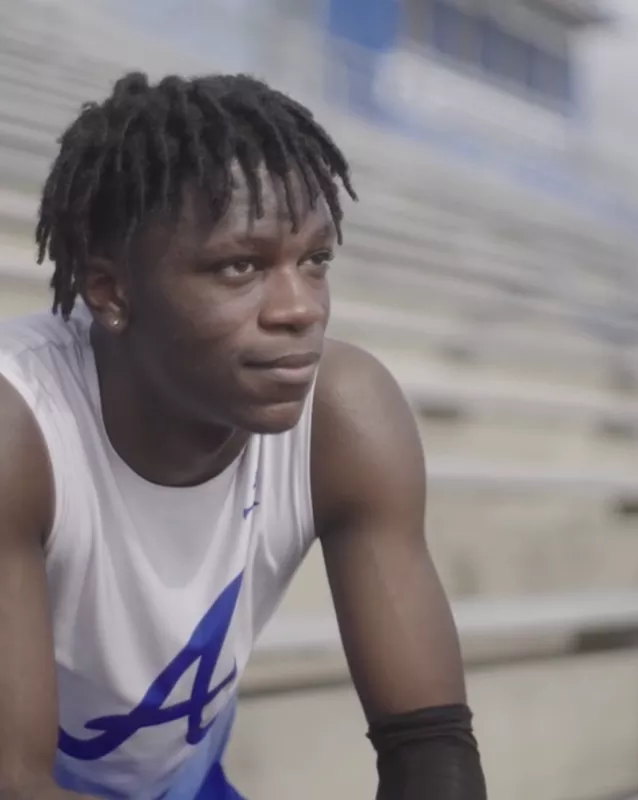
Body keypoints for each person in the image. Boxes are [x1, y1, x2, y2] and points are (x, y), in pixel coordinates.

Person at [0, 73, 487, 799]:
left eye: (315, 261)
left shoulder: (345, 418)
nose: (300, 310)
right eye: (241, 266)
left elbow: (431, 749)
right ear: (109, 293)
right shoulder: (21, 428)